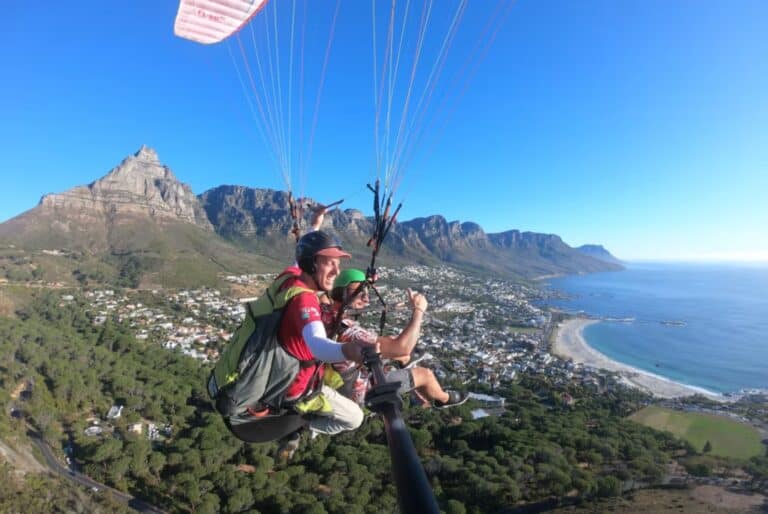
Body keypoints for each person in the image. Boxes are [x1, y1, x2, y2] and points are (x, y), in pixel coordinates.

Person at [234, 231, 376, 457]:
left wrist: (315, 226)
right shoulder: (305, 300)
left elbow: (295, 260)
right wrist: (347, 350)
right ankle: (303, 424)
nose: (336, 271)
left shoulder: (288, 278)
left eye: (338, 264)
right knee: (355, 418)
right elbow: (317, 344)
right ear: (310, 264)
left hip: (276, 373)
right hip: (296, 391)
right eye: (329, 263)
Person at [327, 268, 469, 409]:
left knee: (393, 341)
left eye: (366, 293)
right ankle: (445, 399)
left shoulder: (329, 313)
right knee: (425, 374)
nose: (366, 298)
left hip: (344, 376)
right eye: (358, 293)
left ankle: (405, 360)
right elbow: (401, 346)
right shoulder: (350, 331)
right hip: (359, 391)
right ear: (342, 293)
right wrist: (418, 311)